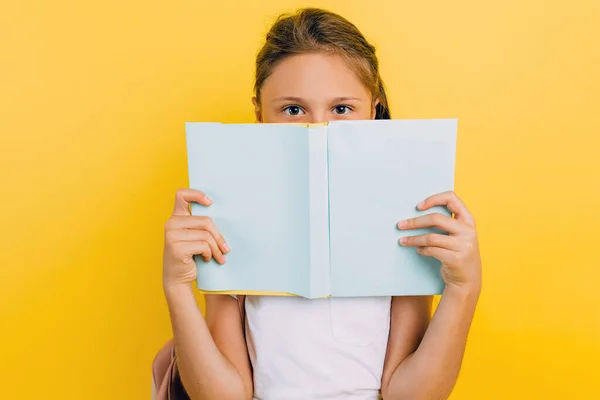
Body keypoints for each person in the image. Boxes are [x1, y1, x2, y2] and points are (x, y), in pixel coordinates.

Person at [161, 8, 482, 400]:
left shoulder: (404, 215)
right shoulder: (235, 216)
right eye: (293, 110)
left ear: (374, 109)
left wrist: (464, 289)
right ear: (260, 115)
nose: (318, 128)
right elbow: (224, 395)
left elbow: (410, 394)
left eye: (342, 109)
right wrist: (177, 286)